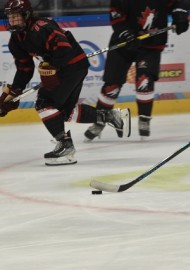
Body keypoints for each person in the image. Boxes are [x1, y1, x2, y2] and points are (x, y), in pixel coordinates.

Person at [0, 0, 131, 166]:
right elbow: (24, 69)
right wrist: (15, 92)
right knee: (65, 111)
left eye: (16, 16)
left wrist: (53, 67)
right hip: (69, 68)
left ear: (26, 15)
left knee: (44, 104)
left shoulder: (43, 27)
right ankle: (113, 116)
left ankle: (65, 146)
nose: (12, 21)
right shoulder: (16, 40)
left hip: (72, 66)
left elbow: (65, 48)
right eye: (10, 17)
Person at [84, 0, 190, 141]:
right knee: (112, 85)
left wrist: (180, 16)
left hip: (151, 44)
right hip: (124, 44)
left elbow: (177, 4)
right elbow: (116, 16)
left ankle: (144, 119)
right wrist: (125, 33)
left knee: (144, 80)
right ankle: (100, 121)